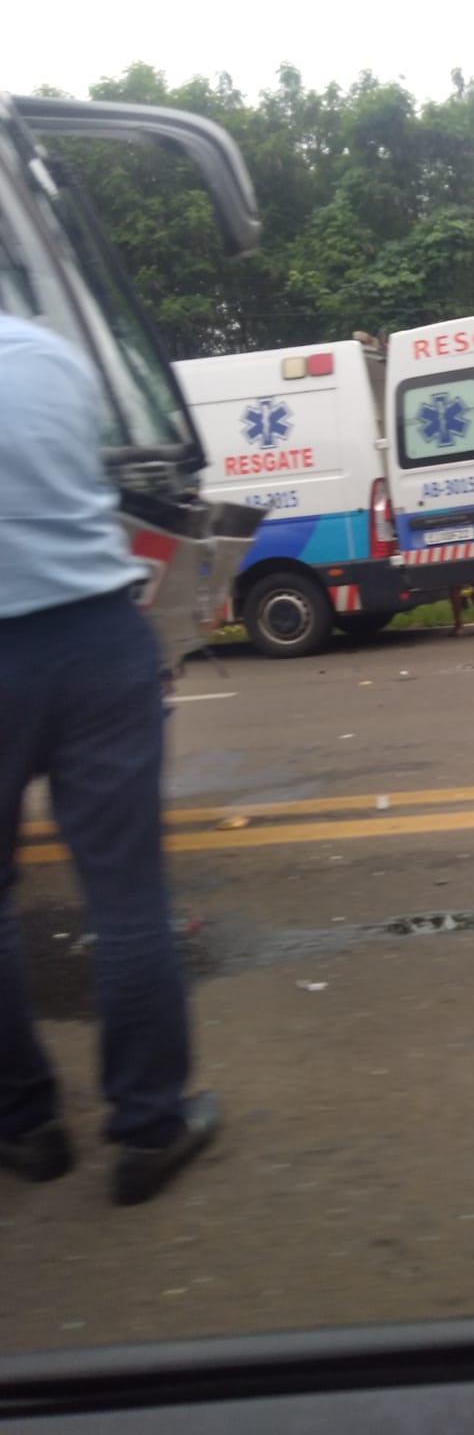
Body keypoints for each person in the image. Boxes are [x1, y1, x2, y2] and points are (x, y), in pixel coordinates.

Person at [0, 313, 218, 1206]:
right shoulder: (53, 356)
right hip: (97, 639)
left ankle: (25, 1127)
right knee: (128, 900)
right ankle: (149, 1129)